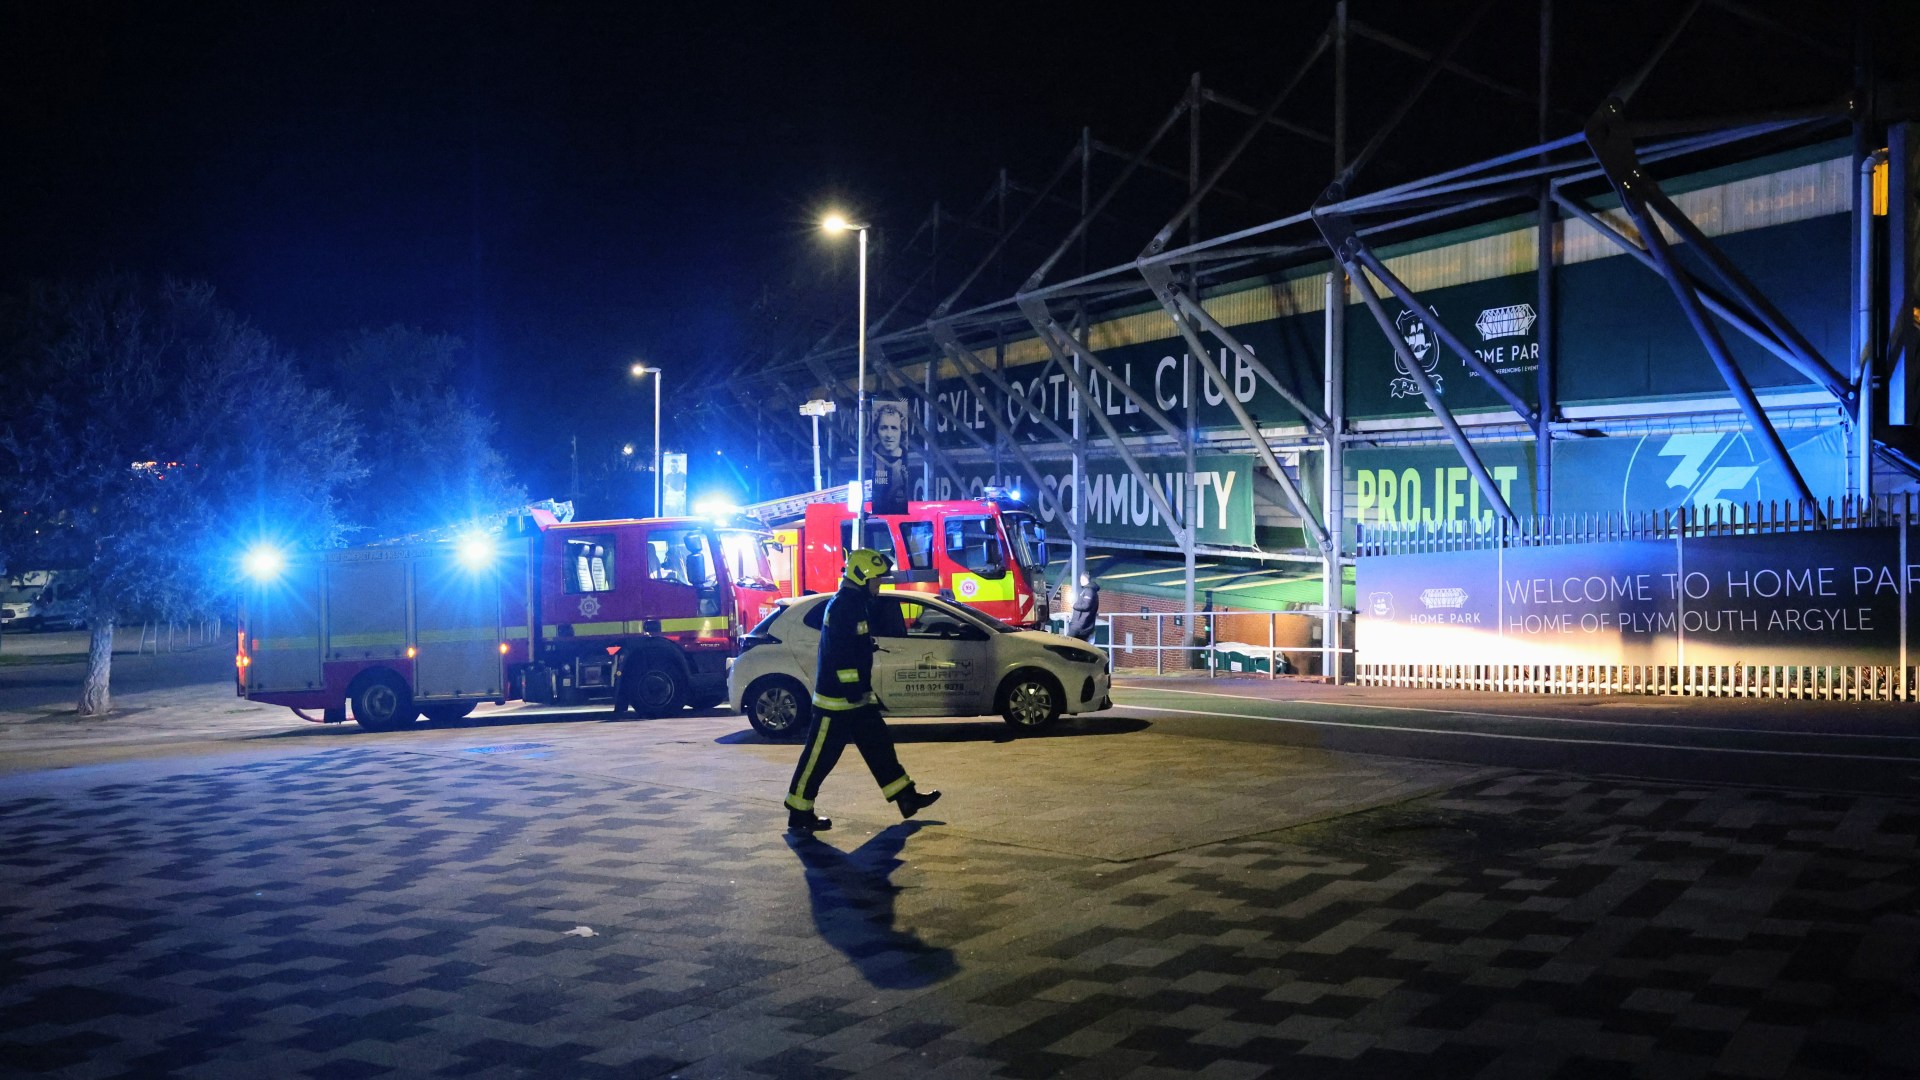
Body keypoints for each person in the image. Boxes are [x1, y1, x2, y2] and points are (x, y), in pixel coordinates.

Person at [784, 548, 941, 834]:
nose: (879, 585)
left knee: (880, 745)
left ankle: (906, 797)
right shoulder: (844, 605)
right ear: (862, 576)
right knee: (820, 757)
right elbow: (839, 653)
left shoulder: (853, 603)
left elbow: (849, 645)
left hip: (856, 697)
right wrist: (854, 686)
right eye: (877, 580)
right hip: (836, 701)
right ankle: (798, 810)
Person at [869, 401, 910, 514]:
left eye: (894, 428)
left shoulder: (907, 459)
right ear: (877, 430)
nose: (889, 434)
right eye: (883, 428)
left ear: (901, 431)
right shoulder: (870, 461)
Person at [1065, 572, 1100, 642]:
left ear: (1084, 579)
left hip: (1079, 625)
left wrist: (1074, 605)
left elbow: (1086, 605)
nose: (1080, 581)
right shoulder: (1091, 591)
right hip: (1083, 625)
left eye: (1081, 579)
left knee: (1067, 643)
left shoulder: (1088, 591)